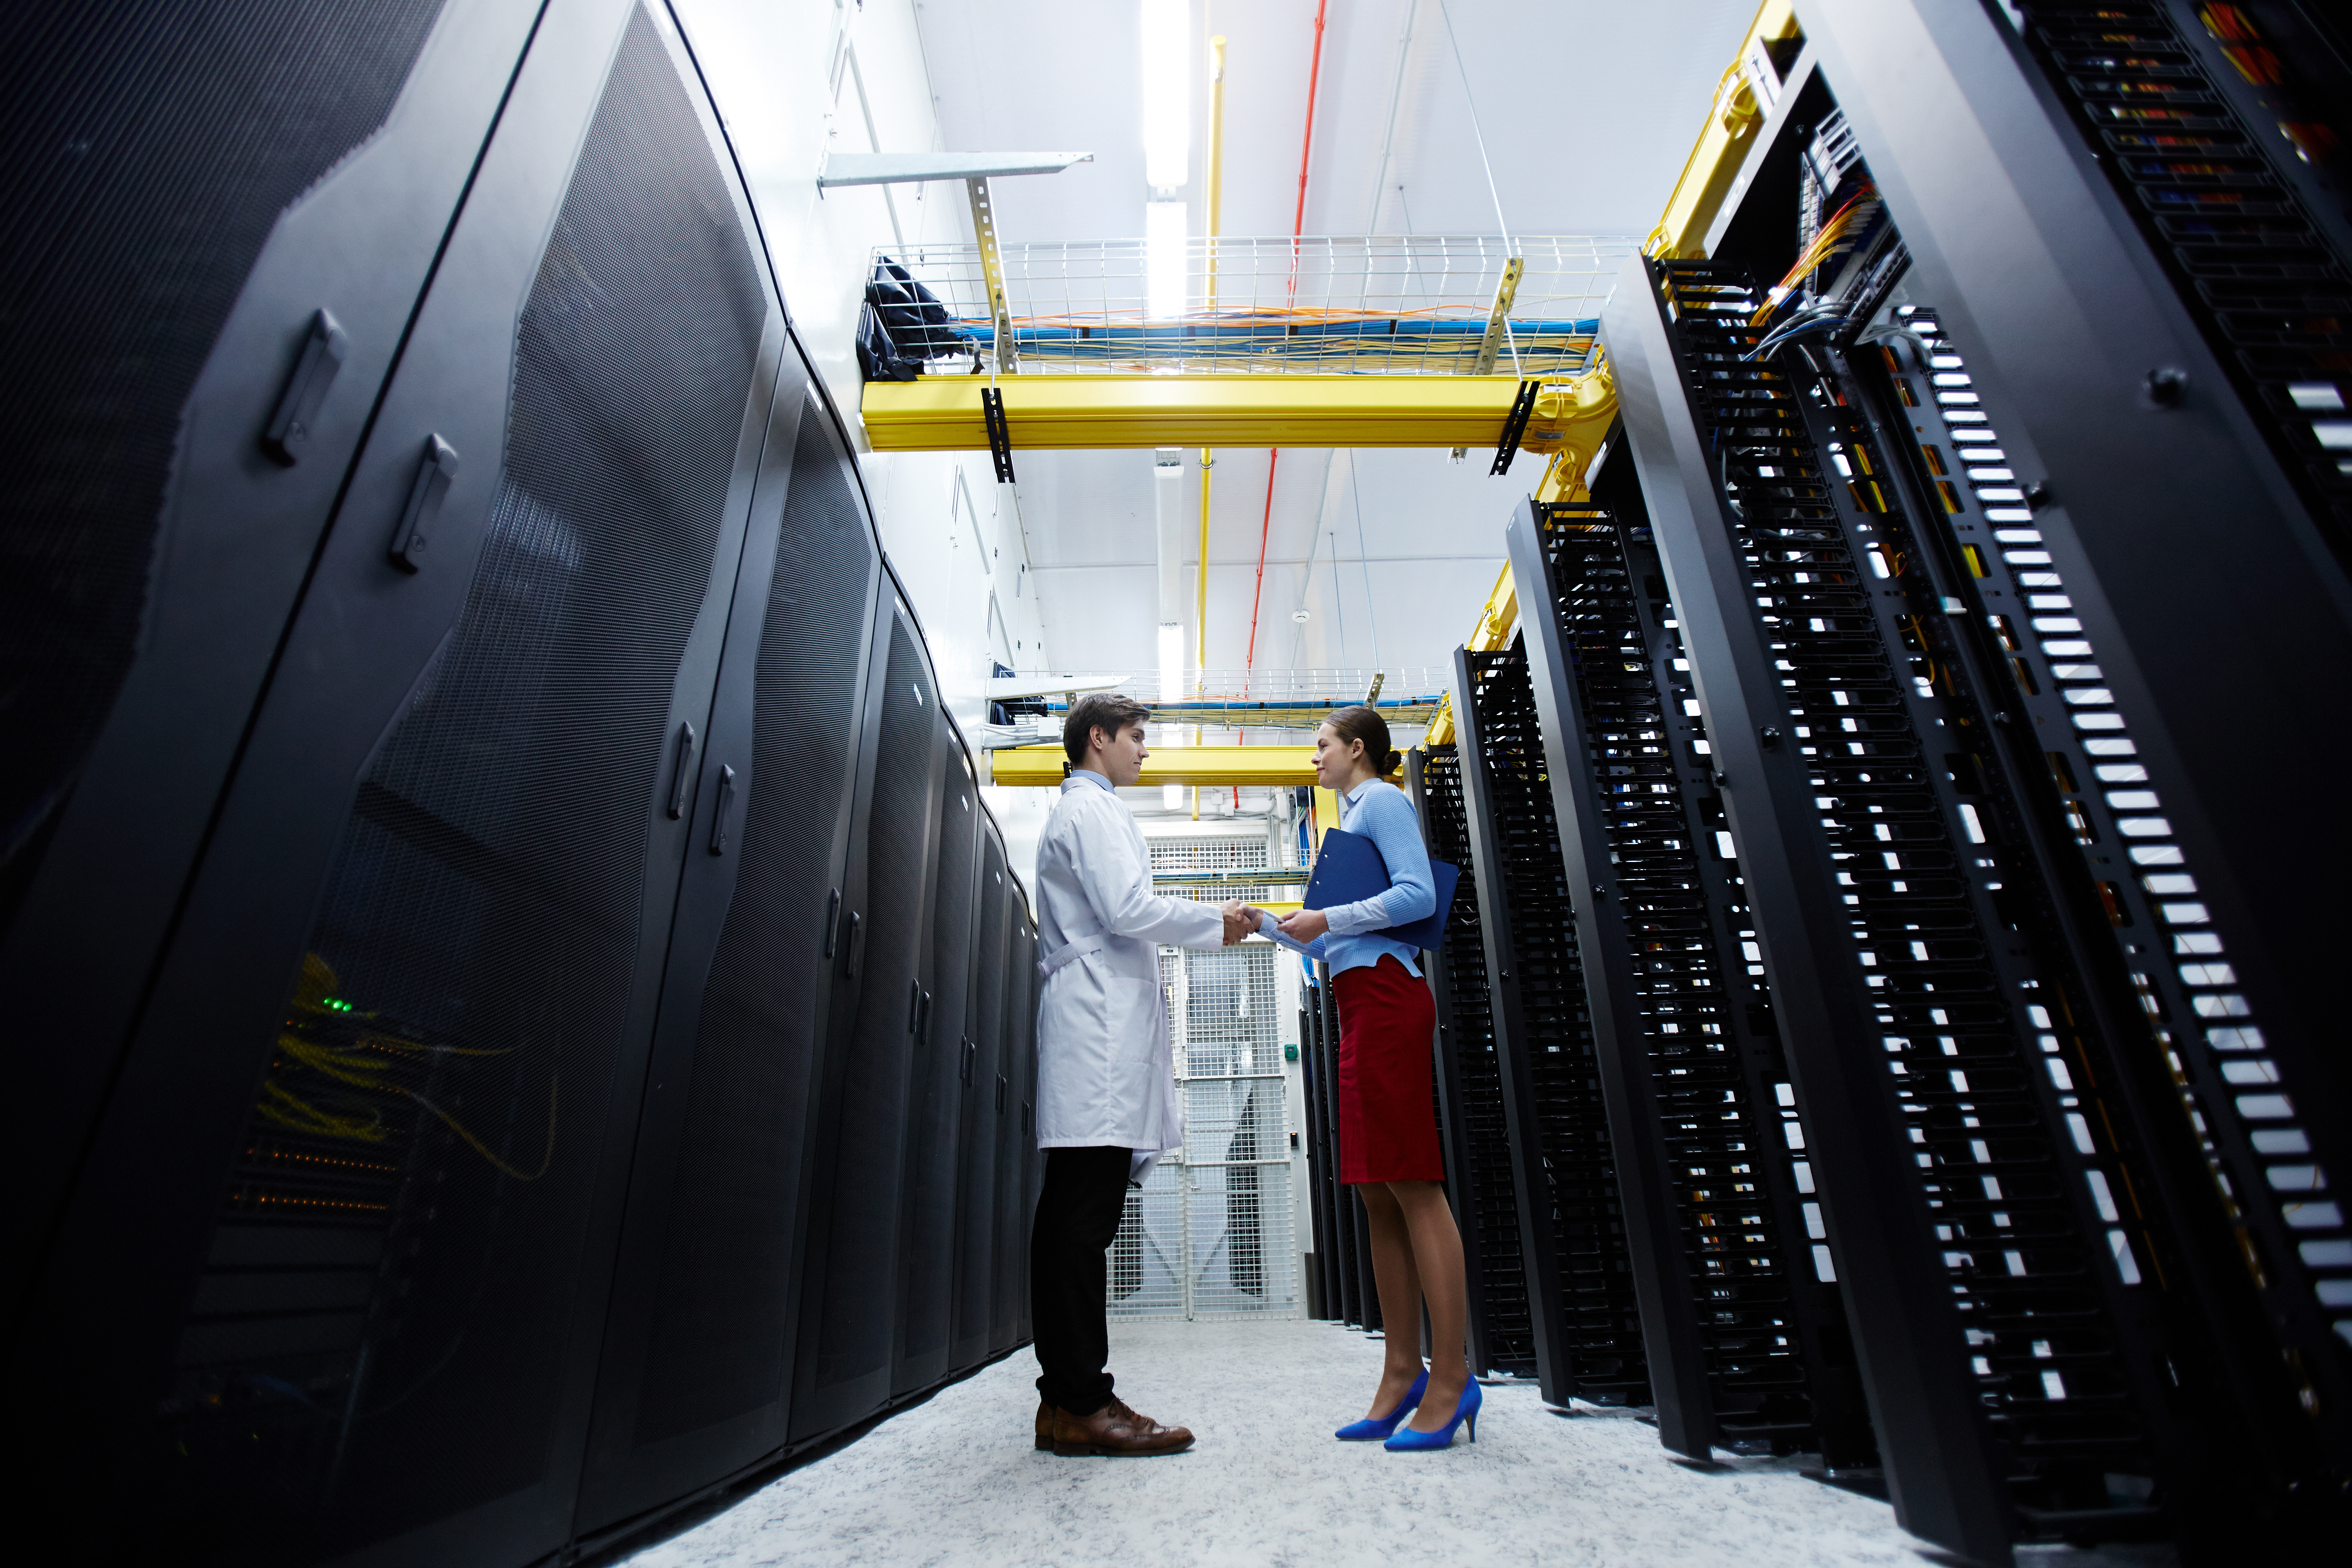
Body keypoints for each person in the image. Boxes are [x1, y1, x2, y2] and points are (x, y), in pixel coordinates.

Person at [1246, 705, 1479, 1451]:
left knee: (1412, 1183)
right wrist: (1272, 925)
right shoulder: (1344, 825)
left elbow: (1418, 896)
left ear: (1357, 749)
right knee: (1378, 1193)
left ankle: (1452, 1379)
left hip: (1389, 1000)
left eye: (1321, 746)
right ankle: (1401, 1371)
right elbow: (1332, 946)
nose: (1314, 757)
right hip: (1357, 1004)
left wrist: (1331, 918)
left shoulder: (1382, 801)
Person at [1029, 691, 1254, 1457]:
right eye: (1136, 738)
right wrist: (1211, 923)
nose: (1145, 752)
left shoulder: (1091, 812)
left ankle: (1065, 1400)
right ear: (1099, 739)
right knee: (1079, 1224)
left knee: (1076, 1217)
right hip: (1094, 1035)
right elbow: (1128, 906)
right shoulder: (1088, 811)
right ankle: (1083, 1401)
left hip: (1100, 1030)